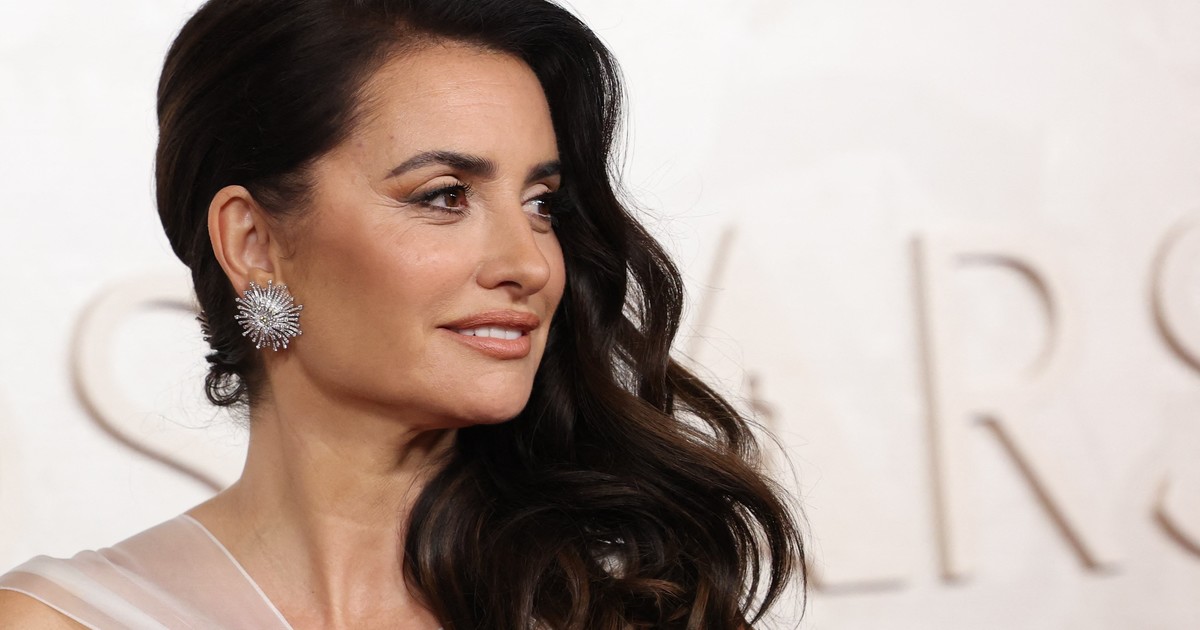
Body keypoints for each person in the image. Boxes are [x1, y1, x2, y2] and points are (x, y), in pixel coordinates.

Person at [0, 0, 807, 627]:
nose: (530, 264)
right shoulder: (62, 621)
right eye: (444, 196)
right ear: (254, 243)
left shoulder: (634, 611)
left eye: (540, 203)